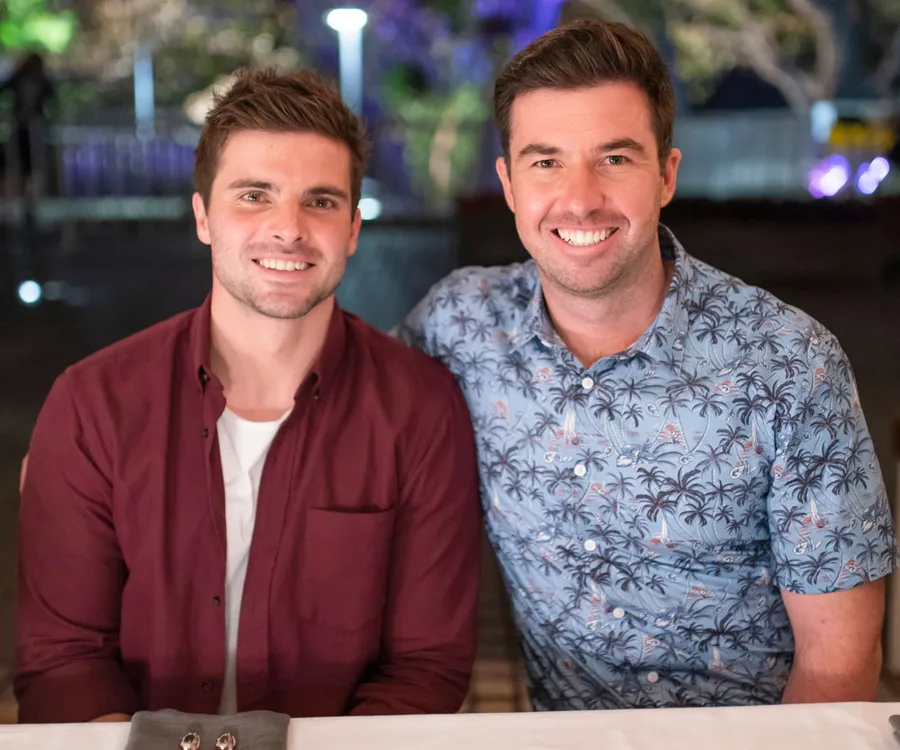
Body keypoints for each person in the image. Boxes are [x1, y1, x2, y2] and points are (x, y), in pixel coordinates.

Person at [397, 19, 896, 710]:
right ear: (509, 183)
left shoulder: (790, 365)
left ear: (665, 174)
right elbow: (339, 404)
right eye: (546, 161)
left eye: (615, 158)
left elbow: (840, 665)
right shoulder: (460, 324)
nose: (579, 198)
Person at [16, 68, 481, 723]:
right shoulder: (93, 406)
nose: (287, 228)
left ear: (351, 228)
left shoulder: (421, 411)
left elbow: (425, 667)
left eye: (320, 201)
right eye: (254, 195)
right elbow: (62, 662)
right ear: (204, 215)